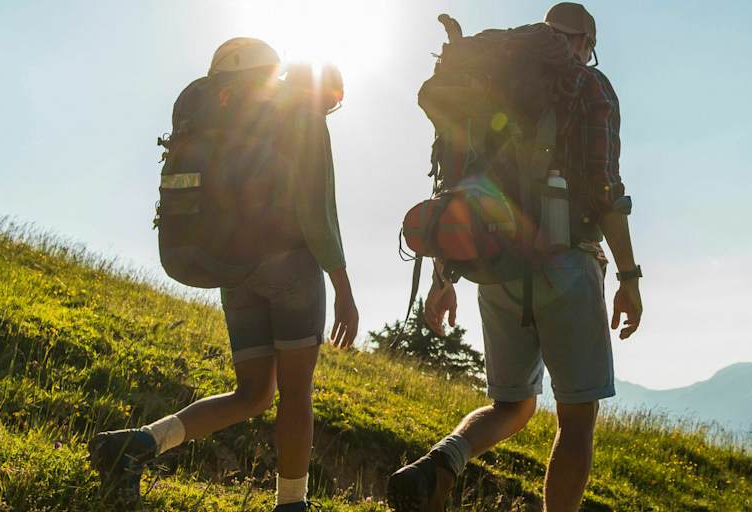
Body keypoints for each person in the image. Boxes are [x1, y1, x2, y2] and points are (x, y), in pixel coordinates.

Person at [387, 3, 643, 511]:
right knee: (575, 421)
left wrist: (445, 277)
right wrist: (629, 276)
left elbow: (459, 184)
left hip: (497, 267)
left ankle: (438, 465)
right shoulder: (590, 87)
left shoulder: (493, 85)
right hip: (566, 265)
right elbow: (604, 189)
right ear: (584, 43)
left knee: (512, 404)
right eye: (589, 47)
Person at [88, 38, 359, 512]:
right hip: (290, 266)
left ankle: (137, 445)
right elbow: (317, 211)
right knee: (295, 395)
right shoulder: (303, 115)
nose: (331, 108)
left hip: (235, 267)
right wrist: (343, 288)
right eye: (333, 99)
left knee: (252, 393)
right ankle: (292, 504)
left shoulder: (228, 115)